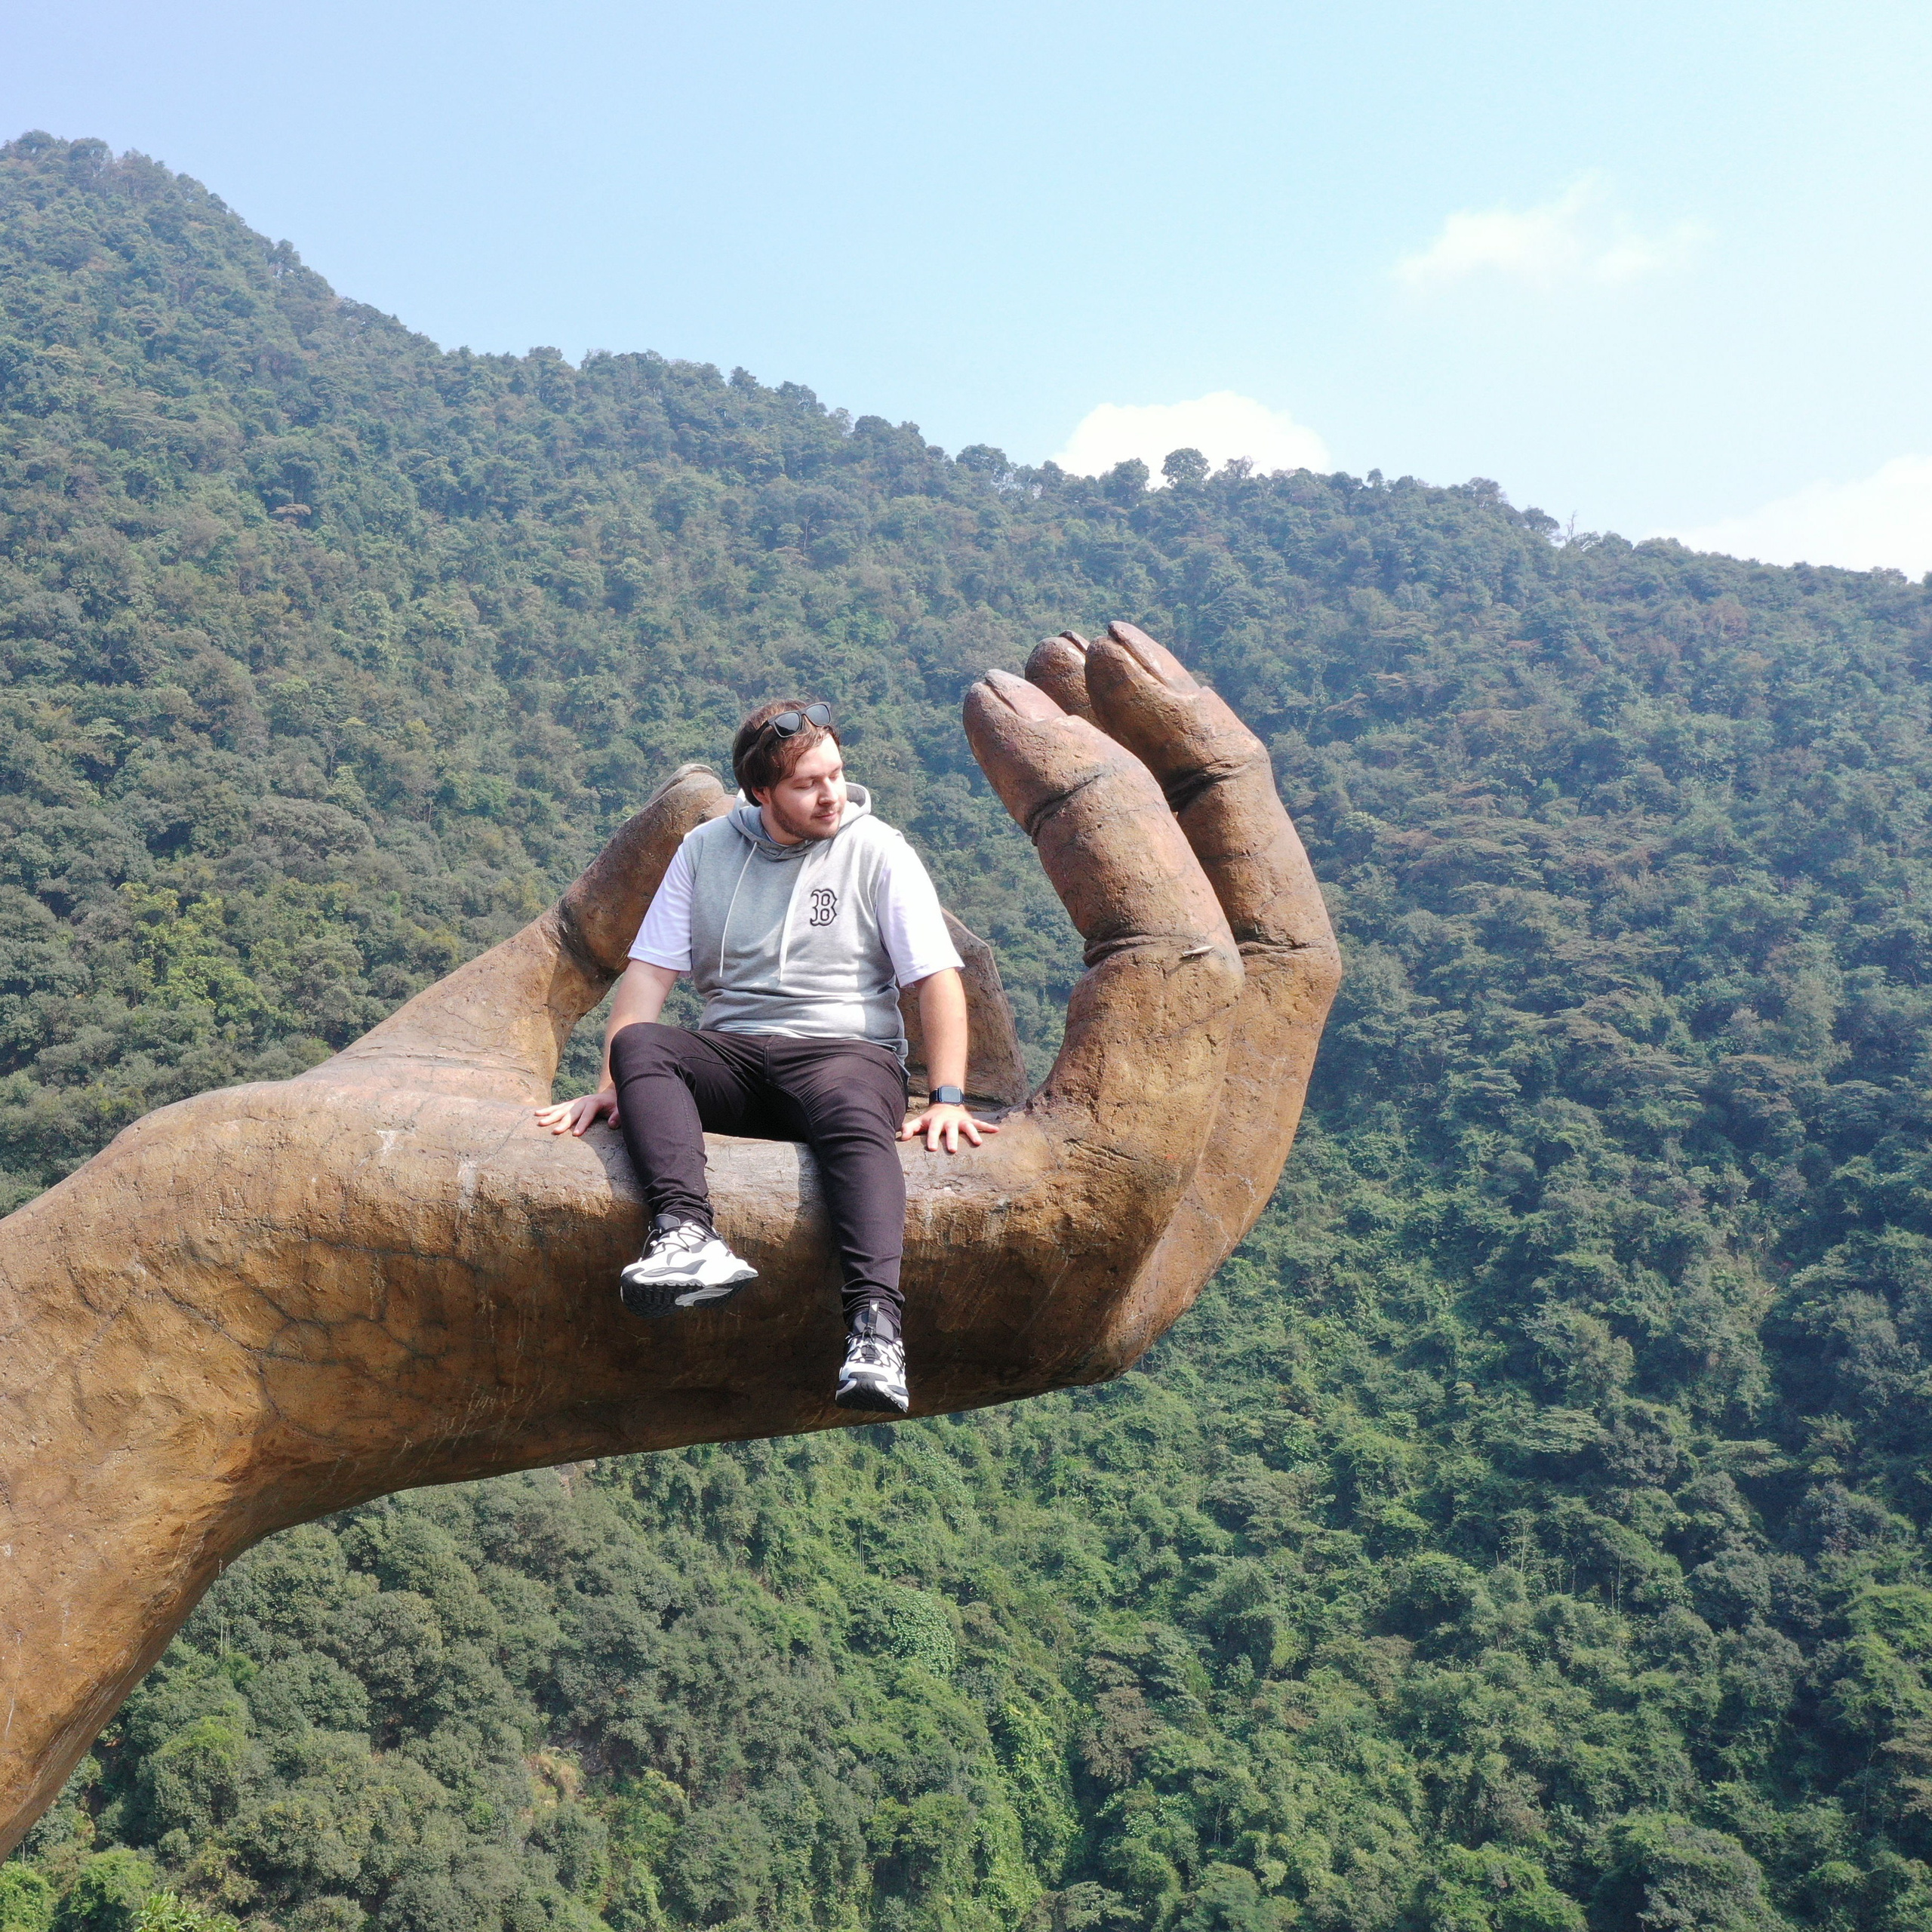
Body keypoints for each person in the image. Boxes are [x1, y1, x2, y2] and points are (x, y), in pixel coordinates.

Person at [534, 700, 996, 1414]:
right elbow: (650, 974)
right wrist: (613, 1084)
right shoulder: (706, 850)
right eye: (809, 784)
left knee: (851, 1117)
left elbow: (934, 978)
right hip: (738, 1055)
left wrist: (947, 1098)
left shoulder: (878, 850)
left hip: (848, 1051)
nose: (832, 794)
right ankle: (686, 1235)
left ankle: (875, 1333)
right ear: (761, 793)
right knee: (642, 1045)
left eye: (836, 775)